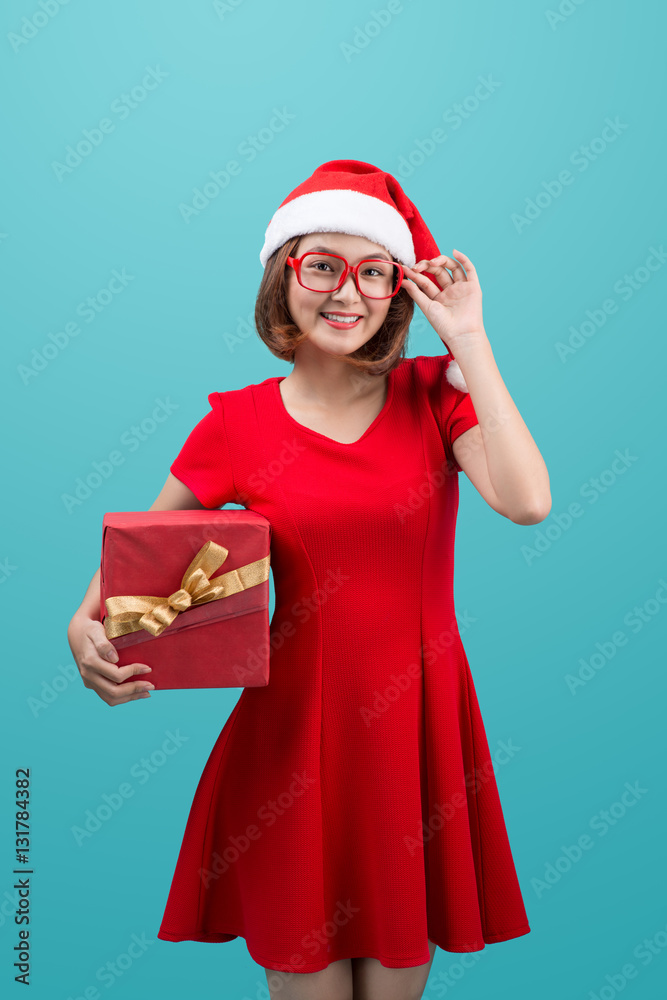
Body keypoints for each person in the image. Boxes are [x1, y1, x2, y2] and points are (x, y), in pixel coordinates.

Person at [67, 160, 551, 1000]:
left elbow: (526, 501)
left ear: (398, 289)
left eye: (372, 271)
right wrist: (83, 637)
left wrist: (467, 338)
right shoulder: (233, 424)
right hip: (288, 744)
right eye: (321, 263)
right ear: (281, 274)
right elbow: (119, 586)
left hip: (415, 731)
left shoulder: (434, 395)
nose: (346, 292)